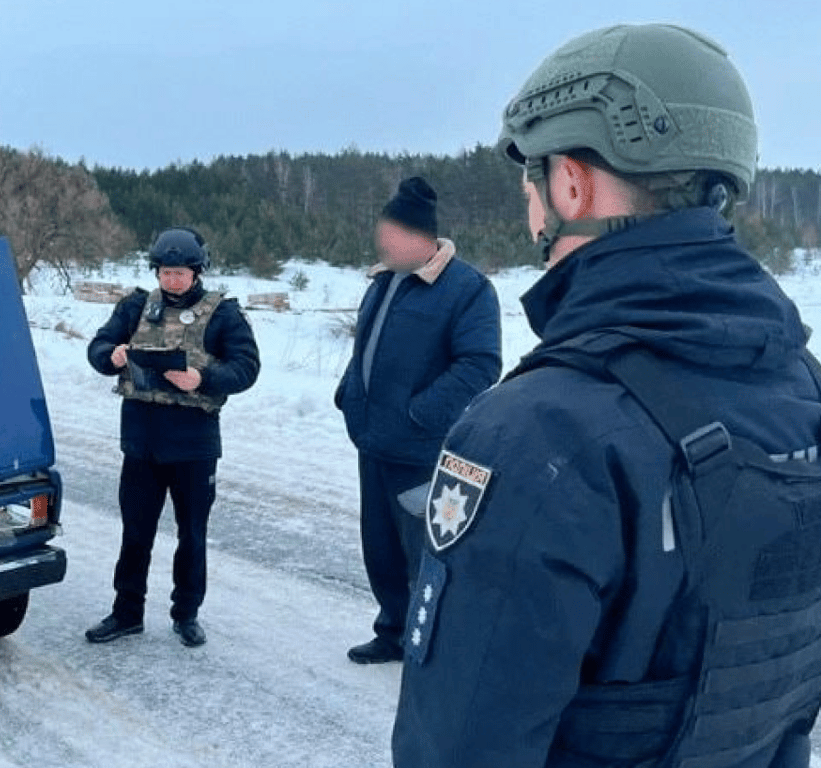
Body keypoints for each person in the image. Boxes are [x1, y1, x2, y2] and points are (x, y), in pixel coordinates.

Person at [393, 24, 821, 767]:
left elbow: (460, 745)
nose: (532, 207)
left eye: (531, 183)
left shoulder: (538, 432)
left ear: (572, 182)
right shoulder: (803, 388)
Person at [334, 176, 501, 664]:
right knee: (381, 550)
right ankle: (392, 632)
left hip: (421, 450)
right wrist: (348, 394)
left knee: (427, 554)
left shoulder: (466, 288)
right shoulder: (384, 282)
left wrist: (420, 414)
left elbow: (480, 364)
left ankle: (434, 646)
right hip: (373, 442)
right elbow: (365, 349)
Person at [84, 227, 260, 648]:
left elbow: (247, 366)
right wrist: (111, 355)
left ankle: (186, 614)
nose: (173, 281)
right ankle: (126, 613)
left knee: (192, 534)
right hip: (141, 441)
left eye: (180, 274)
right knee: (135, 533)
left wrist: (203, 377)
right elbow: (98, 346)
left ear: (197, 272)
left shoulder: (223, 313)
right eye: (165, 273)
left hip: (194, 444)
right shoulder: (135, 307)